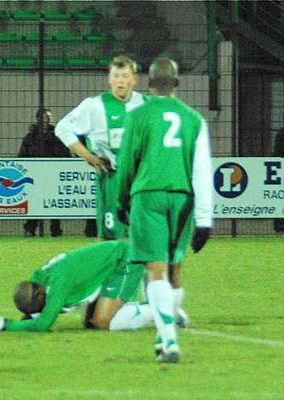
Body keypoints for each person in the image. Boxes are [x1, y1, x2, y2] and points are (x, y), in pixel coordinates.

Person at [115, 57, 213, 363]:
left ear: (148, 82)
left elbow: (127, 161)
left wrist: (121, 202)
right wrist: (205, 219)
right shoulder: (194, 119)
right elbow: (202, 170)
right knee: (175, 268)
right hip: (182, 199)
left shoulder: (138, 115)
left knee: (155, 270)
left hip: (148, 195)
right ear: (177, 83)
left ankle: (169, 340)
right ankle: (162, 334)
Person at [0, 240, 176, 332]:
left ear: (40, 293)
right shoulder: (36, 280)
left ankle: (162, 309)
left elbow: (43, 324)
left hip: (123, 262)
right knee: (89, 323)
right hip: (107, 268)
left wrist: (5, 325)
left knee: (103, 322)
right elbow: (36, 313)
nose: (46, 308)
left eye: (42, 306)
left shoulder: (57, 284)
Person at [55, 55, 146, 241]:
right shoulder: (94, 106)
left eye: (125, 76)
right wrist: (88, 156)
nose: (120, 81)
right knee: (110, 236)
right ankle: (112, 268)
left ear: (134, 79)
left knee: (147, 235)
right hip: (111, 178)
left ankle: (142, 270)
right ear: (109, 79)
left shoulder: (145, 104)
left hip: (142, 180)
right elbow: (62, 128)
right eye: (116, 76)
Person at [18, 108, 70, 237]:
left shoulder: (58, 136)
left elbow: (65, 155)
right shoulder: (29, 138)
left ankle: (55, 230)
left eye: (50, 118)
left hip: (54, 174)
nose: (49, 120)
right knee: (36, 203)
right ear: (38, 120)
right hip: (35, 175)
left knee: (54, 204)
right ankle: (31, 228)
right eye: (46, 118)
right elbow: (22, 158)